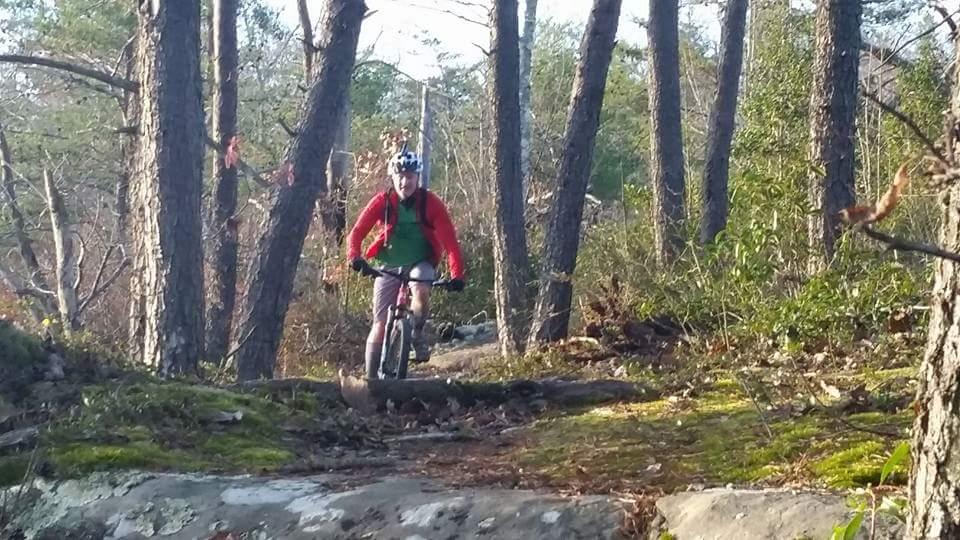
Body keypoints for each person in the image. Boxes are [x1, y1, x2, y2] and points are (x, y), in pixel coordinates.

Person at [346, 146, 465, 374]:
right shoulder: (383, 201)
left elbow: (450, 242)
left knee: (421, 286)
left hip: (421, 260)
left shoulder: (431, 203)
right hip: (389, 263)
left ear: (417, 177)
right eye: (400, 177)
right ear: (393, 177)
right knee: (380, 323)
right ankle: (371, 377)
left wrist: (457, 275)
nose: (404, 182)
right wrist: (355, 257)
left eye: (409, 177)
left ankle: (417, 333)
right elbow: (357, 231)